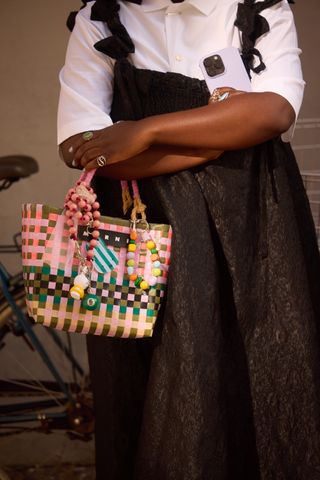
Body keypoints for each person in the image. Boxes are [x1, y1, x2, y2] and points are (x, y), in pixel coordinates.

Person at [58, 0, 320, 478]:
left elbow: (276, 111)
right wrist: (221, 137)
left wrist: (145, 131)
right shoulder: (100, 18)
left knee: (267, 366)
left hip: (255, 229)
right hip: (144, 233)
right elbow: (87, 150)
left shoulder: (257, 6)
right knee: (160, 383)